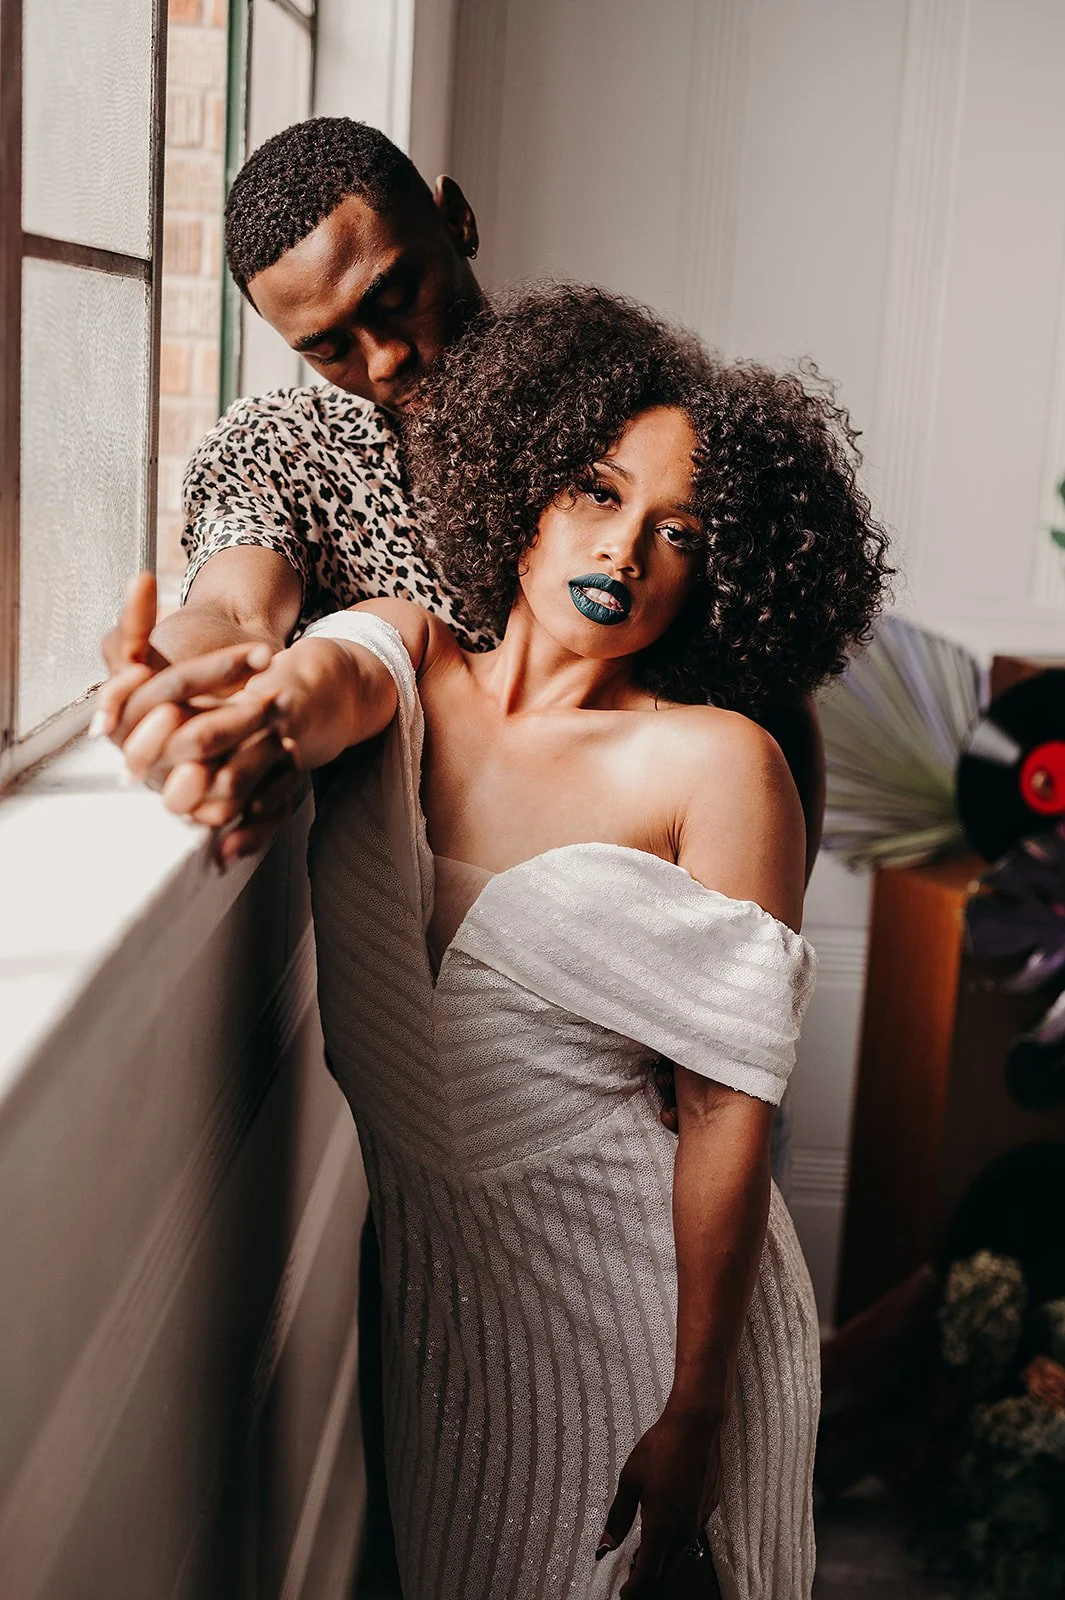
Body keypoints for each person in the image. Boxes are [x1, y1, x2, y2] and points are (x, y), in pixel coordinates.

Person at [107, 286, 890, 1598]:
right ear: (523, 480)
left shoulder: (720, 765)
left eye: (679, 530)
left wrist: (694, 1412)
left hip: (656, 1329)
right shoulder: (416, 660)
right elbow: (323, 677)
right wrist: (230, 713)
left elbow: (724, 1117)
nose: (624, 548)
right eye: (594, 487)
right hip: (448, 1321)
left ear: (724, 569)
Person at [99, 116, 824, 875]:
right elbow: (235, 612)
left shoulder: (617, 416)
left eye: (396, 295)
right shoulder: (285, 453)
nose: (383, 361)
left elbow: (765, 680)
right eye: (329, 347)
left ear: (456, 219)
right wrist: (174, 681)